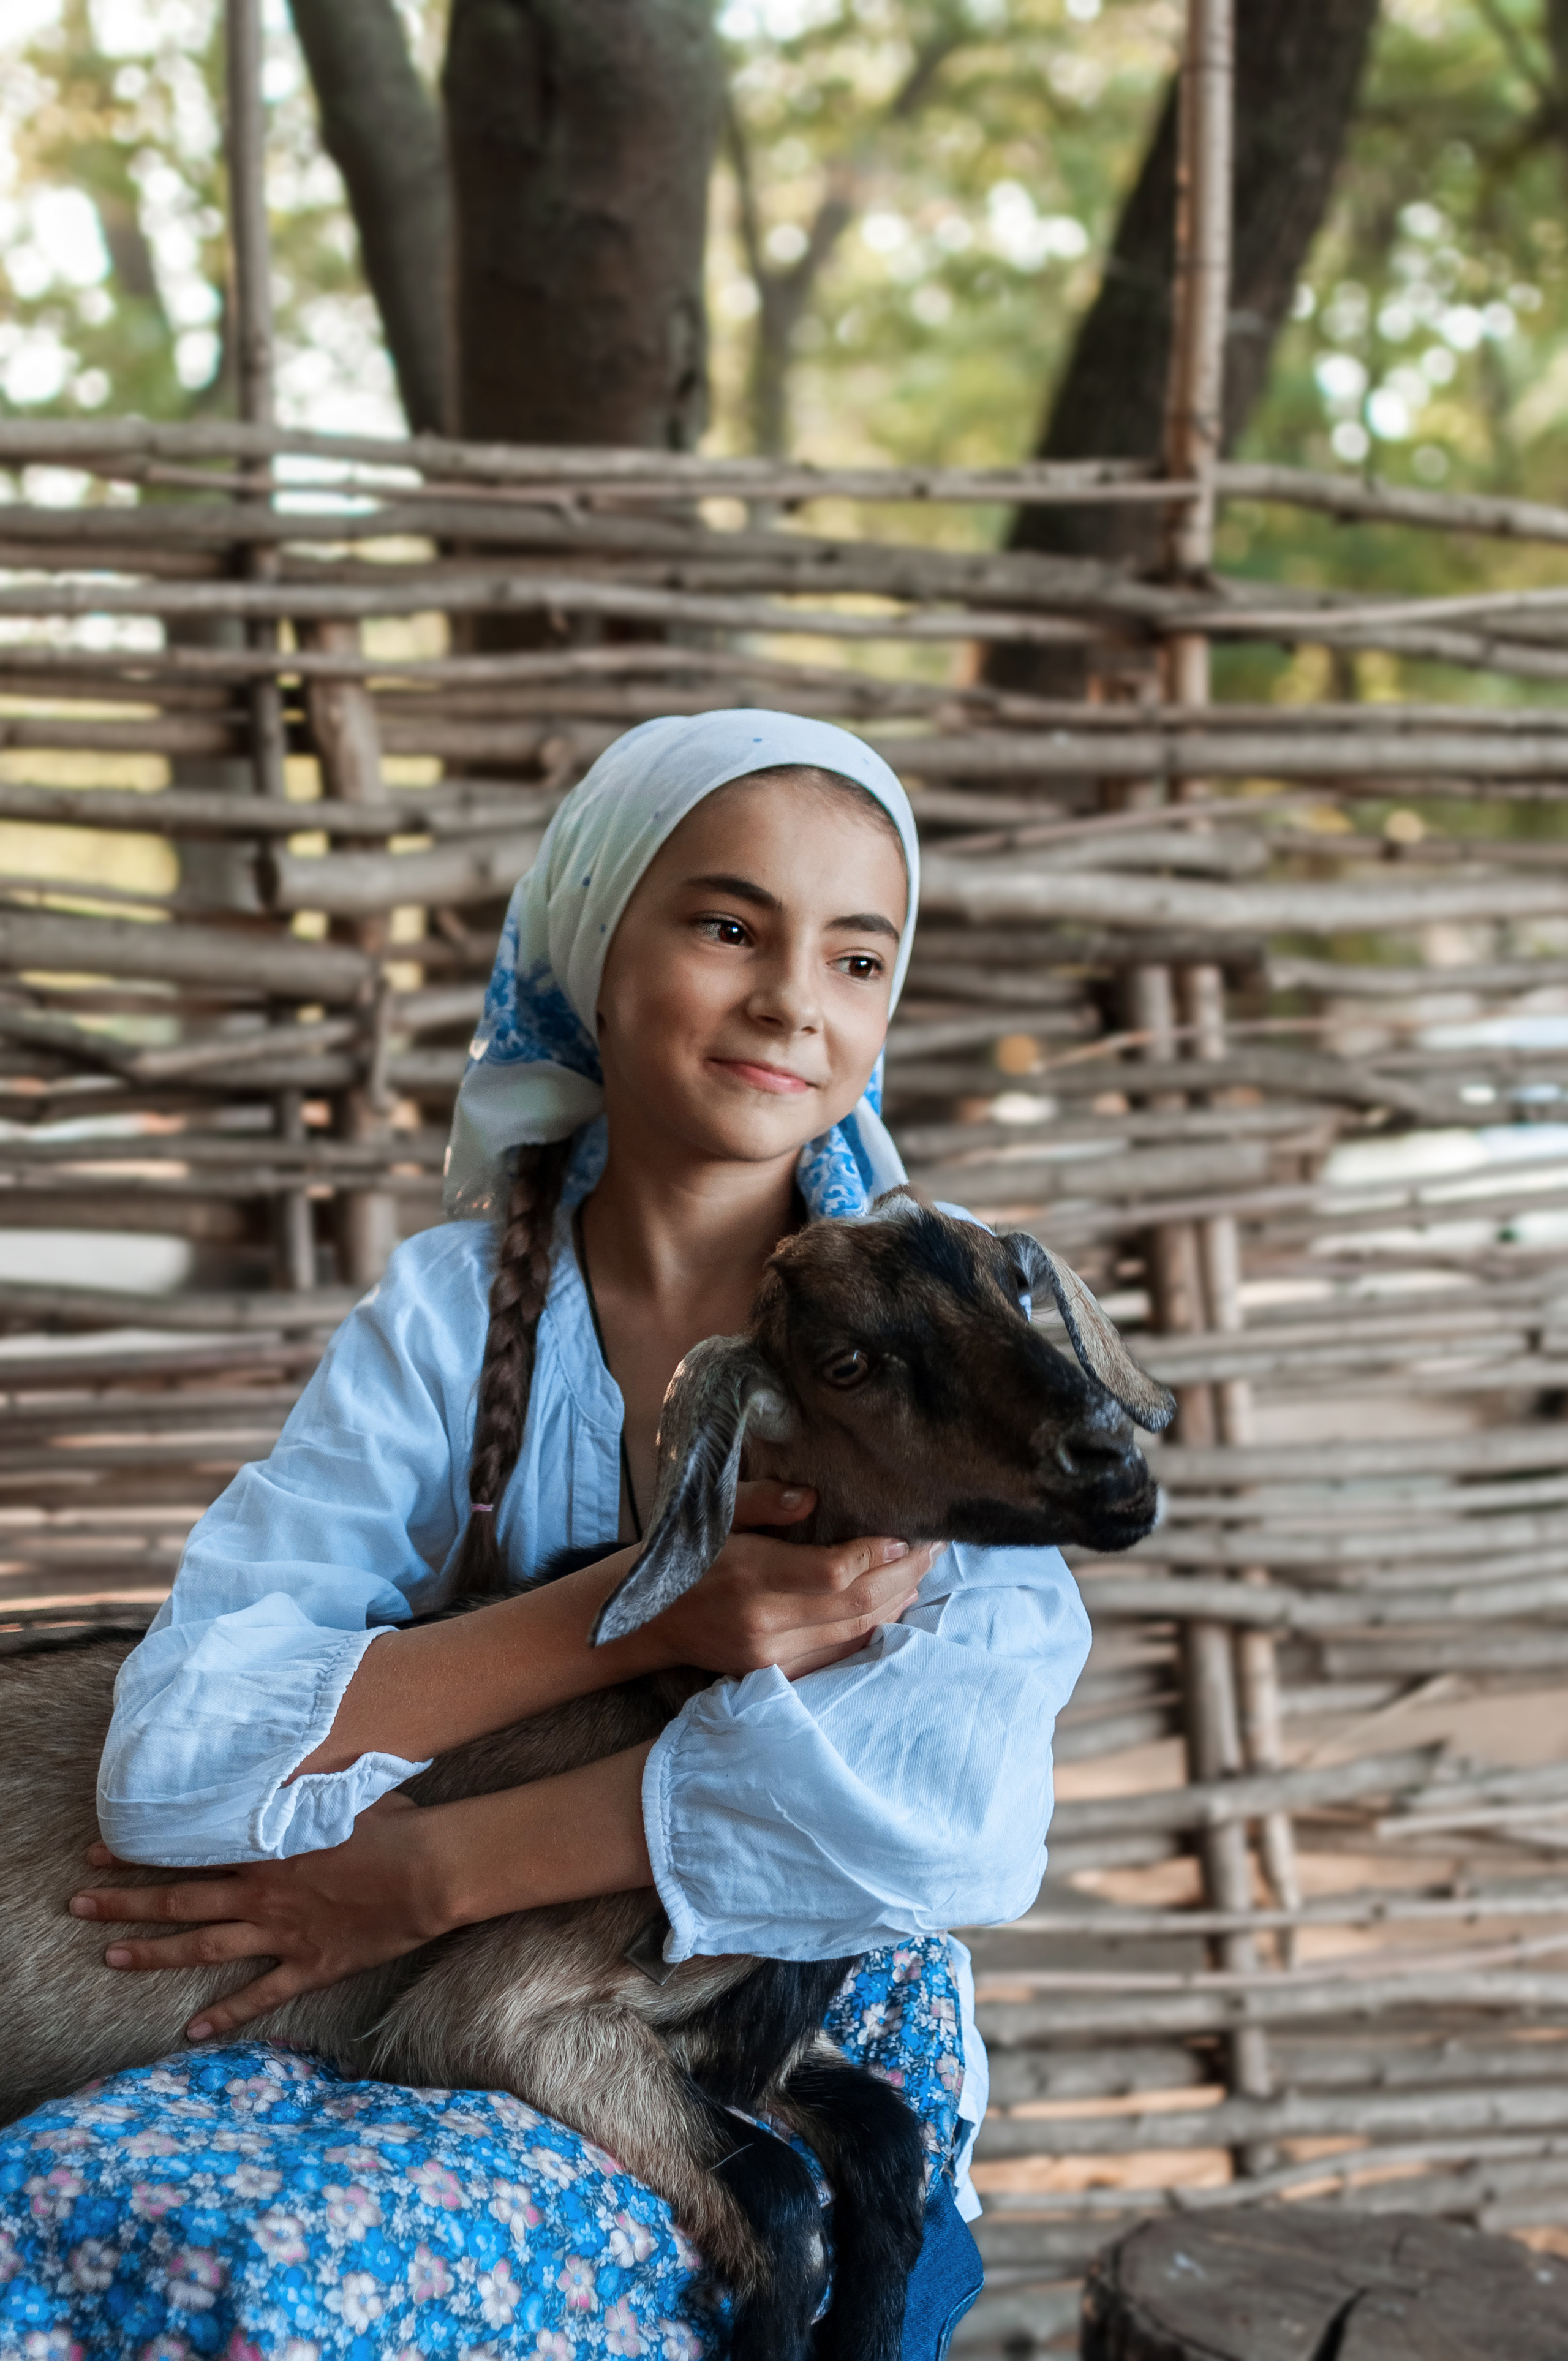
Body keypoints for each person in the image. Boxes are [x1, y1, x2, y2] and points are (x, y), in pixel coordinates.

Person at [39, 711, 1090, 2357]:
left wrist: (424, 1871)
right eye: (729, 926)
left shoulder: (945, 1342)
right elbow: (174, 1765)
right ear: (593, 949)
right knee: (91, 2221)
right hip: (407, 1999)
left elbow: (947, 1807)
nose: (791, 1000)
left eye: (858, 958)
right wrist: (647, 1617)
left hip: (733, 2007)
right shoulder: (450, 1323)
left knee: (297, 2278)